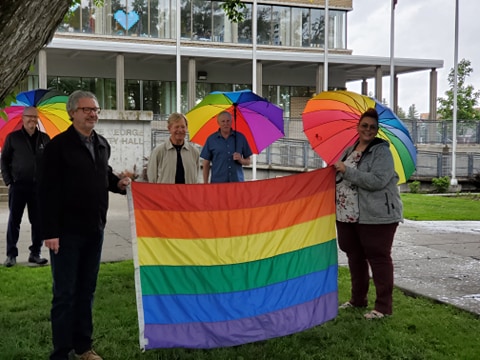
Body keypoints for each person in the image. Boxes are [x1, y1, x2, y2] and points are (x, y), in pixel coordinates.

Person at [40, 90, 131, 360]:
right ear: (72, 113)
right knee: (65, 294)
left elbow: (103, 175)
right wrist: (51, 233)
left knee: (86, 291)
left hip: (95, 231)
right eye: (87, 109)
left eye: (96, 109)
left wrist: (119, 184)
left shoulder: (101, 144)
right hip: (66, 234)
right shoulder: (57, 147)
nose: (93, 114)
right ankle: (61, 352)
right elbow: (46, 192)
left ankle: (83, 347)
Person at [334, 107, 403, 320]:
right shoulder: (349, 149)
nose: (368, 129)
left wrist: (346, 171)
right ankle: (357, 299)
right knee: (354, 256)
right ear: (358, 127)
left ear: (377, 130)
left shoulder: (381, 151)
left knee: (378, 257)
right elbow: (340, 177)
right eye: (364, 125)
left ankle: (383, 307)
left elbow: (377, 181)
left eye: (372, 127)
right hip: (347, 214)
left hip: (376, 215)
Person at [1, 106, 50, 267]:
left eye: (35, 117)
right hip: (18, 186)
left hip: (39, 188)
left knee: (38, 222)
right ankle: (11, 255)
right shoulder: (13, 138)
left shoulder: (44, 139)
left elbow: (50, 163)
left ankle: (35, 253)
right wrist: (9, 181)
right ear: (23, 118)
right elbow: (4, 160)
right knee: (14, 221)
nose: (32, 120)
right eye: (29, 116)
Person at [147, 112, 200, 184]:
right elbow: (152, 179)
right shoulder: (158, 152)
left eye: (183, 127)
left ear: (186, 128)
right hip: (166, 194)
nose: (180, 130)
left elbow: (196, 178)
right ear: (169, 128)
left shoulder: (194, 152)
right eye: (177, 127)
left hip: (187, 194)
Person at [201, 111, 252, 183]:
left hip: (237, 183)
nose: (226, 124)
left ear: (232, 122)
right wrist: (205, 183)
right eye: (223, 121)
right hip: (218, 183)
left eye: (228, 121)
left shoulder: (240, 138)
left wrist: (241, 160)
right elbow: (206, 163)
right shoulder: (211, 139)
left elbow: (248, 161)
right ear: (218, 123)